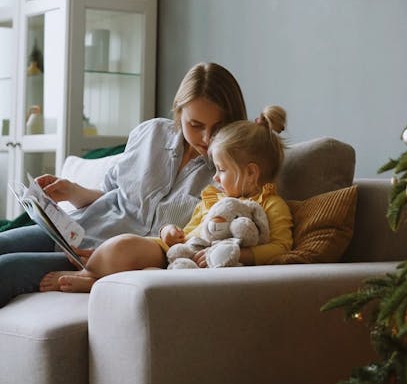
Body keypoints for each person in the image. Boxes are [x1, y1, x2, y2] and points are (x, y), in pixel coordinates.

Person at [0, 62, 247, 307]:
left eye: (218, 128)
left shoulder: (232, 173)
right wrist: (72, 191)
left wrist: (110, 261)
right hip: (77, 229)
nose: (206, 138)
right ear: (179, 112)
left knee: (7, 270)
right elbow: (112, 194)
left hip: (103, 259)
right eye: (196, 125)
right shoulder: (150, 134)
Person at [42, 105, 294, 292]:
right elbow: (191, 231)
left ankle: (96, 281)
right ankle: (92, 273)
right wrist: (168, 232)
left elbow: (281, 248)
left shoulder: (271, 205)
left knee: (151, 276)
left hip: (195, 265)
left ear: (251, 173)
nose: (215, 177)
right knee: (122, 245)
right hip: (178, 250)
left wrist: (242, 255)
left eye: (222, 170)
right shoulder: (211, 199)